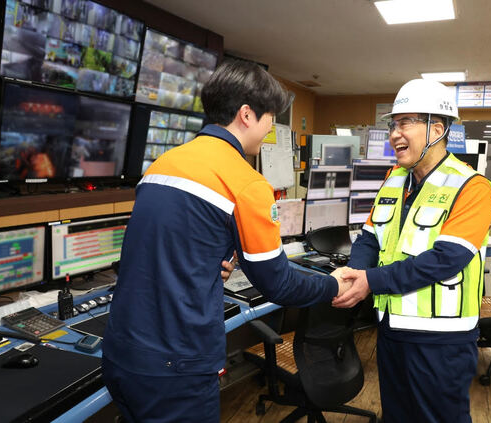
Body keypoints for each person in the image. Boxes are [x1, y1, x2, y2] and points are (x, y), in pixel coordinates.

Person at [102, 60, 350, 423]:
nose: (270, 129)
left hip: (122, 353)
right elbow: (278, 283)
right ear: (247, 115)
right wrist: (332, 284)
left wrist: (204, 261)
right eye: (271, 119)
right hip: (176, 364)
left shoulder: (163, 163)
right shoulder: (245, 182)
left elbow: (161, 246)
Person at [332, 79, 491, 423]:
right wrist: (354, 272)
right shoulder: (394, 179)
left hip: (441, 341)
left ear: (437, 129)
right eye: (393, 124)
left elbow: (445, 260)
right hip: (392, 330)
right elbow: (369, 237)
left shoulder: (472, 187)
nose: (394, 133)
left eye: (405, 122)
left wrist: (370, 281)